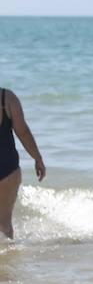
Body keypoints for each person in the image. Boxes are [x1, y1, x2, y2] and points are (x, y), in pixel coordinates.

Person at [0, 88, 48, 240]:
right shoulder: (6, 98)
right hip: (7, 169)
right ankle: (8, 260)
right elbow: (23, 132)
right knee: (4, 223)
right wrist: (37, 158)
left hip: (8, 169)